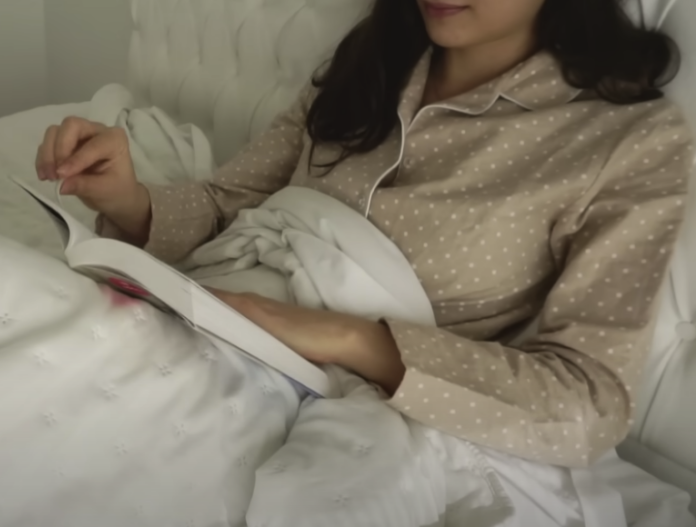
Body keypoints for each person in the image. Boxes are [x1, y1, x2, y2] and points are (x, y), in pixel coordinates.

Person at [35, 0, 693, 469]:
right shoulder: (367, 62)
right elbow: (227, 200)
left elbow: (588, 402)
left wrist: (352, 337)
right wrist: (124, 198)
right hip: (202, 308)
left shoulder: (626, 139)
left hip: (312, 389)